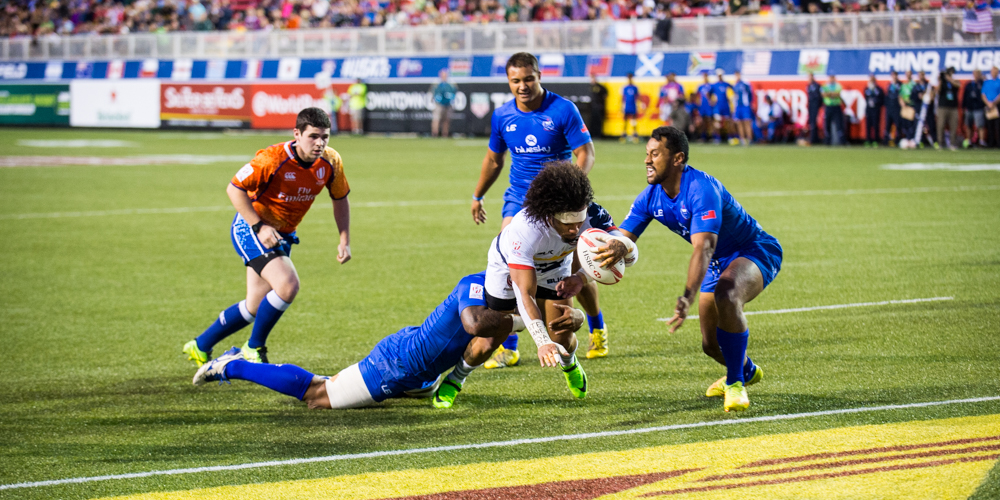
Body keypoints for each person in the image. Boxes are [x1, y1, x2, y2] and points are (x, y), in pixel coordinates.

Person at [193, 271, 585, 409]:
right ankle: (233, 365)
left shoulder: (513, 293)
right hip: (398, 366)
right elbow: (473, 325)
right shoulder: (476, 285)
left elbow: (547, 324)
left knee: (341, 382)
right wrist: (528, 326)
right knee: (318, 395)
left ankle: (433, 383)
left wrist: (576, 317)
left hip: (418, 366)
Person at [437, 162, 638, 407]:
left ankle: (570, 363)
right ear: (549, 213)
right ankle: (456, 378)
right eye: (568, 223)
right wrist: (542, 342)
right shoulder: (526, 228)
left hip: (556, 266)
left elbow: (626, 258)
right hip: (507, 269)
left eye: (579, 221)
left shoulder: (592, 214)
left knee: (562, 332)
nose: (576, 229)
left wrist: (617, 250)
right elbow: (525, 294)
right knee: (492, 338)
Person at [618, 126, 781, 412]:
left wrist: (687, 296)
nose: (647, 160)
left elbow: (703, 247)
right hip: (715, 262)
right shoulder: (650, 197)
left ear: (678, 158)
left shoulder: (701, 189)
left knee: (727, 294)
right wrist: (586, 270)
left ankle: (735, 384)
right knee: (711, 345)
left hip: (752, 250)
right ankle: (747, 370)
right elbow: (621, 238)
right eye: (647, 154)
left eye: (655, 154)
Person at [183, 108, 352, 366]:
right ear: (297, 134)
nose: (320, 143)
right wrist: (259, 226)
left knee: (255, 306)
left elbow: (340, 199)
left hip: (282, 234)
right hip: (251, 229)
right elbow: (234, 189)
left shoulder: (331, 161)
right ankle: (254, 348)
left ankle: (200, 345)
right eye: (313, 136)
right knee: (288, 285)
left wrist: (344, 239)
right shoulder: (272, 159)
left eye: (325, 137)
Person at [470, 52, 607, 368]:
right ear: (509, 82)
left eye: (528, 79)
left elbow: (585, 153)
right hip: (520, 200)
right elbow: (494, 159)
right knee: (510, 261)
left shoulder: (562, 110)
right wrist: (478, 195)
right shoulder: (503, 115)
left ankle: (597, 326)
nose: (523, 86)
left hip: (560, 203)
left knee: (576, 265)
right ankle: (510, 343)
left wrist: (571, 192)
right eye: (515, 81)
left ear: (539, 76)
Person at [936, 67, 961, 150]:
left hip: (953, 107)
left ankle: (952, 143)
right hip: (942, 106)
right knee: (941, 125)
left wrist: (949, 79)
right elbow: (938, 91)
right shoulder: (942, 82)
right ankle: (940, 143)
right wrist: (940, 80)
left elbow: (958, 85)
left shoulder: (953, 81)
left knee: (953, 126)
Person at [962, 69, 986, 148]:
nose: (976, 75)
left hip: (978, 107)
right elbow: (965, 96)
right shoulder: (969, 84)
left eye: (977, 73)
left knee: (980, 125)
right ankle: (969, 141)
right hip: (969, 107)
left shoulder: (982, 83)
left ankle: (981, 141)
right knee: (969, 125)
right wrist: (963, 107)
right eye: (975, 73)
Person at [431, 69, 457, 138]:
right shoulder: (436, 83)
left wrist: (450, 97)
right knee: (436, 118)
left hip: (448, 104)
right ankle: (435, 133)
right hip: (438, 104)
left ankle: (445, 134)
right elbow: (433, 92)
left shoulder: (451, 83)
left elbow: (454, 92)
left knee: (446, 119)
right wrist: (437, 98)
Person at [710, 69, 734, 144]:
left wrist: (731, 99)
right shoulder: (714, 85)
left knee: (727, 122)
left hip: (725, 106)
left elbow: (734, 89)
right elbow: (709, 93)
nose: (720, 76)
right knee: (717, 122)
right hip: (718, 106)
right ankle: (717, 138)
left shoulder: (726, 84)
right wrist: (711, 101)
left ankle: (729, 137)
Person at [821, 74, 844, 145]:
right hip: (828, 107)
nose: (831, 79)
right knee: (827, 125)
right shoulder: (824, 86)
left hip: (836, 106)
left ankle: (842, 141)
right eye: (830, 77)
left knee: (839, 124)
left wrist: (829, 94)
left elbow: (838, 94)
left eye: (833, 77)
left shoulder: (838, 85)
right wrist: (832, 94)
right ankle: (827, 141)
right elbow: (824, 95)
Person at [732, 70, 753, 146]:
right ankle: (742, 139)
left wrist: (749, 103)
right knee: (739, 123)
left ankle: (750, 139)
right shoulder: (735, 85)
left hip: (745, 106)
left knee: (747, 122)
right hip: (738, 106)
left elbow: (750, 95)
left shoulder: (745, 84)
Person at [863, 74, 885, 147]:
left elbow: (882, 99)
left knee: (876, 125)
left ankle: (876, 140)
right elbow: (866, 97)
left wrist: (876, 101)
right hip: (869, 109)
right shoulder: (867, 89)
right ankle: (868, 140)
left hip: (876, 109)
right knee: (868, 125)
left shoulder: (878, 89)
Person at [983, 66, 1000, 148]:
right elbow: (983, 94)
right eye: (993, 71)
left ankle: (998, 143)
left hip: (997, 105)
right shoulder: (987, 82)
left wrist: (994, 103)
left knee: (998, 126)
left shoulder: (999, 82)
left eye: (995, 71)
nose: (994, 73)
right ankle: (991, 143)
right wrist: (988, 103)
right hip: (988, 106)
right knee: (989, 126)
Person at [898, 70, 916, 147]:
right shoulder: (903, 85)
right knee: (904, 124)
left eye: (909, 74)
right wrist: (902, 103)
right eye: (907, 74)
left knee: (911, 124)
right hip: (904, 107)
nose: (908, 75)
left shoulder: (914, 85)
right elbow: (900, 95)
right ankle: (906, 139)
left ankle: (911, 139)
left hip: (911, 106)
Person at [884, 71, 902, 146]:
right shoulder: (889, 85)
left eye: (895, 75)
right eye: (893, 75)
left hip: (897, 108)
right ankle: (885, 141)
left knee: (898, 125)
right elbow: (887, 96)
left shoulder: (900, 85)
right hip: (889, 108)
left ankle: (897, 140)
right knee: (887, 125)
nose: (894, 77)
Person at [622, 73, 640, 143]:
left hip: (633, 106)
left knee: (634, 120)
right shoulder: (625, 88)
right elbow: (623, 97)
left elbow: (637, 97)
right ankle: (624, 134)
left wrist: (639, 105)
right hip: (627, 106)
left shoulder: (635, 87)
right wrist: (622, 106)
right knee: (625, 121)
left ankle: (634, 135)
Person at [589, 74, 608, 139]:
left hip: (599, 107)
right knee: (593, 122)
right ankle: (593, 135)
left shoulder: (600, 87)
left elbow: (605, 95)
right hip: (592, 107)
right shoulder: (590, 87)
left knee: (599, 121)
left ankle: (598, 135)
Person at [697, 72, 714, 142]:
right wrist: (698, 103)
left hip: (709, 106)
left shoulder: (711, 86)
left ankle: (711, 136)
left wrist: (712, 102)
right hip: (702, 106)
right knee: (703, 122)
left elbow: (714, 96)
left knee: (709, 121)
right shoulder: (700, 86)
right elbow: (697, 96)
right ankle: (703, 136)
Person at [806, 72, 823, 145]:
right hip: (811, 106)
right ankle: (812, 138)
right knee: (812, 123)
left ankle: (814, 139)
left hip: (816, 106)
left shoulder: (817, 86)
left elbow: (820, 97)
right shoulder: (808, 86)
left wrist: (818, 105)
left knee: (815, 122)